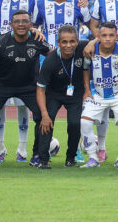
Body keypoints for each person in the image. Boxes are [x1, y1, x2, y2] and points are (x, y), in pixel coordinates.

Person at [0, 10, 50, 164]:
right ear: (11, 24)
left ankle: (37, 155)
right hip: (3, 85)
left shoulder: (38, 40)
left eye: (25, 21)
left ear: (31, 24)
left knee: (43, 115)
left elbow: (55, 56)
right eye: (17, 21)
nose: (21, 24)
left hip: (29, 86)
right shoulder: (0, 42)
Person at [78, 22, 118, 168]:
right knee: (85, 122)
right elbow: (85, 69)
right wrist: (87, 89)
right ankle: (93, 158)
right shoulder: (91, 49)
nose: (107, 39)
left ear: (117, 37)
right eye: (104, 35)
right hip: (97, 94)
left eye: (111, 35)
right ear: (98, 37)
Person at [35, 26, 89, 169]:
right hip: (54, 94)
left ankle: (70, 158)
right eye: (64, 42)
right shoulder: (50, 61)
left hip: (75, 94)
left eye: (72, 41)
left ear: (78, 41)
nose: (68, 45)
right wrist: (44, 114)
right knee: (46, 122)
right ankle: (43, 160)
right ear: (58, 42)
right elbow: (40, 90)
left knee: (74, 124)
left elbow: (100, 38)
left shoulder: (82, 48)